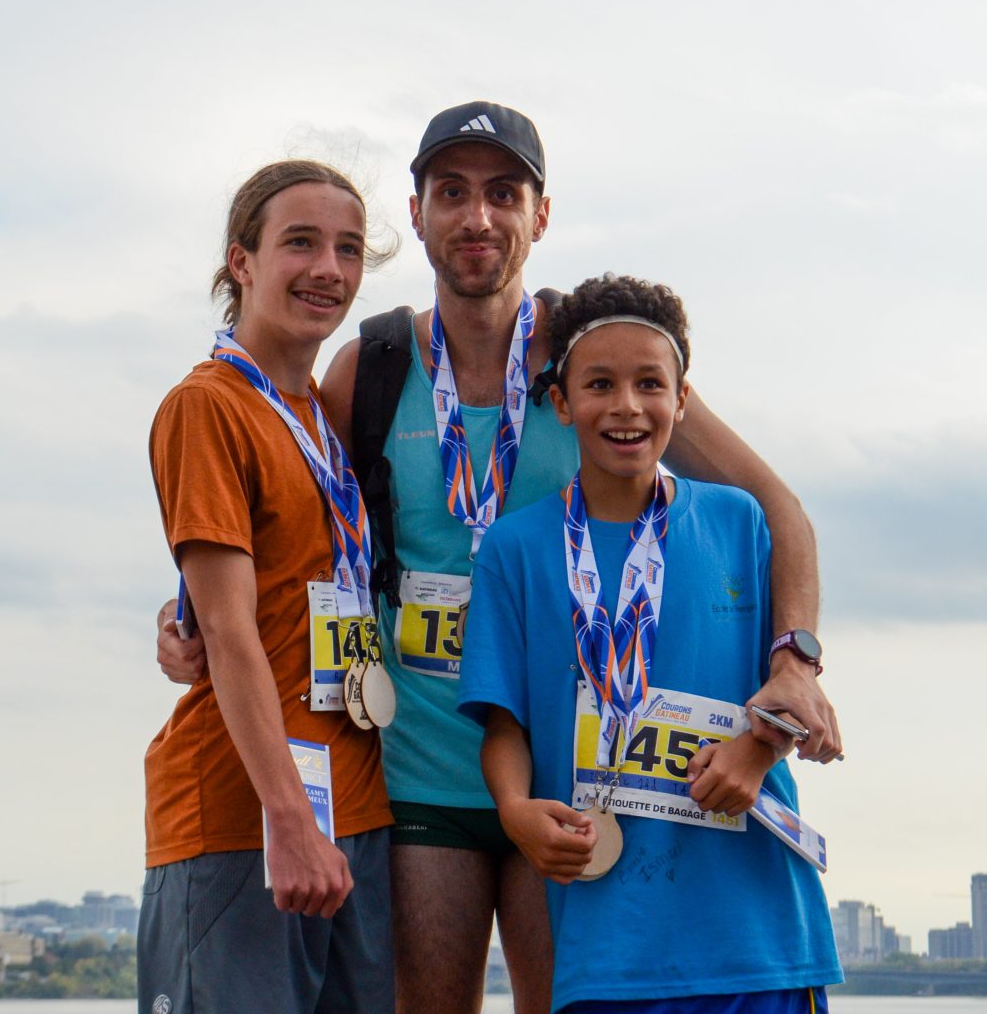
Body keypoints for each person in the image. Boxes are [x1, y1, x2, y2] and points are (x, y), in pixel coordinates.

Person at [156, 102, 841, 1014]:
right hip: (414, 768)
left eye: (504, 193)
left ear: (540, 215)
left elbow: (777, 511)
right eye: (452, 193)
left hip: (564, 773)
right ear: (419, 213)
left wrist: (794, 662)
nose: (477, 216)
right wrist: (188, 610)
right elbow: (292, 520)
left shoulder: (596, 357)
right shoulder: (372, 365)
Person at [458, 273, 843, 1013]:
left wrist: (757, 752)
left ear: (682, 400)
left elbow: (784, 694)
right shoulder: (514, 548)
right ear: (561, 402)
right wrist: (512, 808)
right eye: (600, 384)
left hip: (759, 937)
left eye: (649, 384)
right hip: (609, 947)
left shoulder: (738, 522)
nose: (627, 406)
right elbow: (503, 724)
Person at [138, 159, 398, 1014]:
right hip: (245, 817)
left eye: (349, 249)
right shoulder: (207, 406)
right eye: (301, 243)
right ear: (241, 261)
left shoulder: (322, 417)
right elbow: (228, 628)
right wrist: (288, 819)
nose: (329, 268)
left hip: (354, 812)